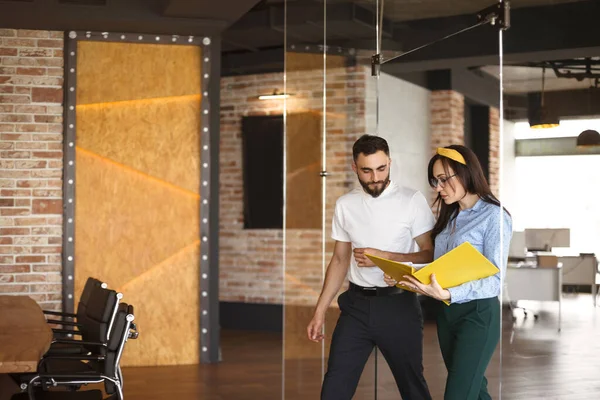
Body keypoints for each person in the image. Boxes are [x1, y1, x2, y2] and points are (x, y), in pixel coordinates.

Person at [307, 134, 435, 400]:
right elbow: (340, 260)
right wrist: (319, 311)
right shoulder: (345, 205)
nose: (376, 177)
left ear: (389, 162)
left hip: (399, 307)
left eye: (381, 168)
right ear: (355, 167)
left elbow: (430, 254)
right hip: (356, 307)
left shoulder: (411, 200)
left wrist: (384, 257)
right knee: (334, 386)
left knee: (413, 387)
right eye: (367, 170)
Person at [389, 145, 512, 400]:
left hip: (478, 315)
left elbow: (495, 281)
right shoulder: (449, 218)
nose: (438, 187)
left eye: (444, 179)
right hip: (447, 314)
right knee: (474, 390)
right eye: (435, 181)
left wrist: (448, 292)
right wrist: (405, 276)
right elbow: (438, 269)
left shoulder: (494, 217)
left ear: (465, 173)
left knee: (458, 394)